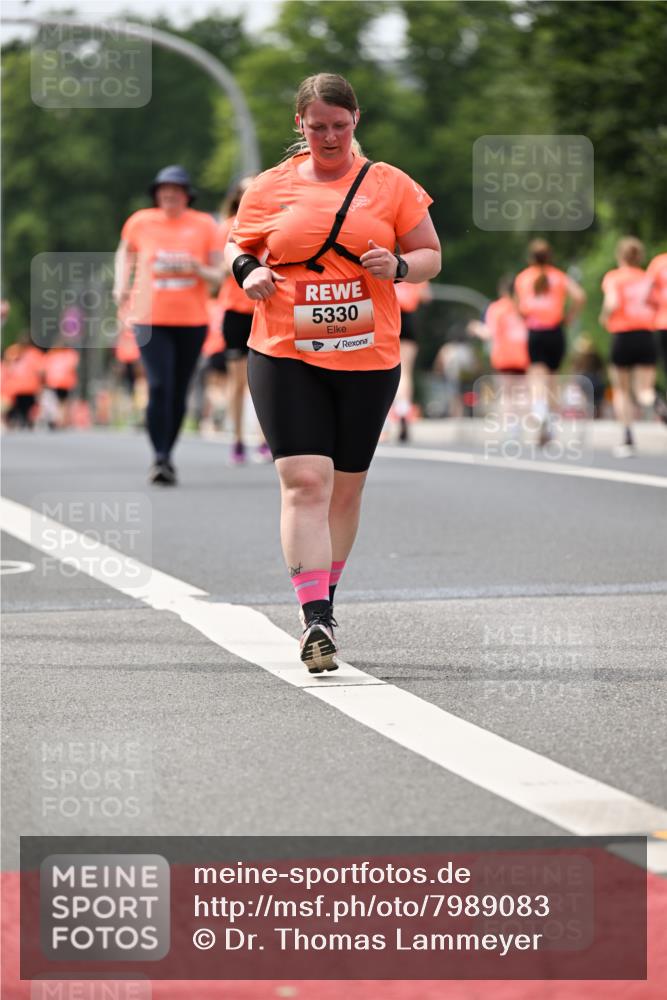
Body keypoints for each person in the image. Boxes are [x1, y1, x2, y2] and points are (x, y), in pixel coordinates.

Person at [224, 73, 441, 672]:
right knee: (305, 483)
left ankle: (326, 596)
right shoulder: (269, 186)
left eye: (339, 127)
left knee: (345, 488)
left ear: (356, 121)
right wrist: (248, 272)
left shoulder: (390, 184)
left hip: (368, 355)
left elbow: (430, 255)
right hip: (284, 349)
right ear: (300, 124)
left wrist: (399, 266)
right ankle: (315, 616)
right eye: (317, 126)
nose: (328, 137)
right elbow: (237, 244)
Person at [114, 165, 224, 484]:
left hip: (192, 320)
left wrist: (197, 268)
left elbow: (219, 276)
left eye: (176, 190)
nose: (169, 195)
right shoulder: (140, 221)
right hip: (149, 318)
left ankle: (168, 452)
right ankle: (159, 456)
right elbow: (124, 253)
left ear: (187, 195)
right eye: (164, 190)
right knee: (159, 385)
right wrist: (120, 285)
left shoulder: (204, 224)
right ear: (156, 194)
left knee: (178, 389)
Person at [217, 178, 270, 464]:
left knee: (266, 380)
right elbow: (220, 268)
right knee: (238, 381)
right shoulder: (228, 226)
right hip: (237, 310)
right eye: (244, 192)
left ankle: (265, 439)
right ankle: (237, 438)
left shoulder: (273, 223)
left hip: (267, 307)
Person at [514, 239, 586, 445]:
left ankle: (540, 410)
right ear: (549, 256)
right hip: (555, 331)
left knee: (537, 376)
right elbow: (580, 296)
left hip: (535, 331)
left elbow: (519, 307)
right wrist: (570, 316)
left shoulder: (524, 278)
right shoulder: (559, 276)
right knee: (553, 380)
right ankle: (552, 427)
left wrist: (525, 317)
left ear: (531, 257)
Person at [600, 237, 658, 456]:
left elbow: (612, 302)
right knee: (644, 390)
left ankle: (627, 437)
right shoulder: (647, 278)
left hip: (623, 335)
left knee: (621, 390)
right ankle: (657, 403)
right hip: (645, 335)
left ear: (620, 256)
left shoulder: (614, 277)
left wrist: (605, 316)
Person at [468, 275, 530, 433]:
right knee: (522, 393)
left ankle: (511, 428)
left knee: (506, 394)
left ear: (502, 290)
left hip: (504, 356)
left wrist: (475, 328)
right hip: (523, 355)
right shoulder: (523, 307)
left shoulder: (497, 308)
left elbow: (490, 333)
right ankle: (523, 426)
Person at [392, 280, 431, 442]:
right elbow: (426, 296)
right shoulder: (412, 267)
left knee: (383, 369)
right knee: (405, 372)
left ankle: (388, 419)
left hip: (389, 313)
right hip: (408, 317)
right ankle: (403, 410)